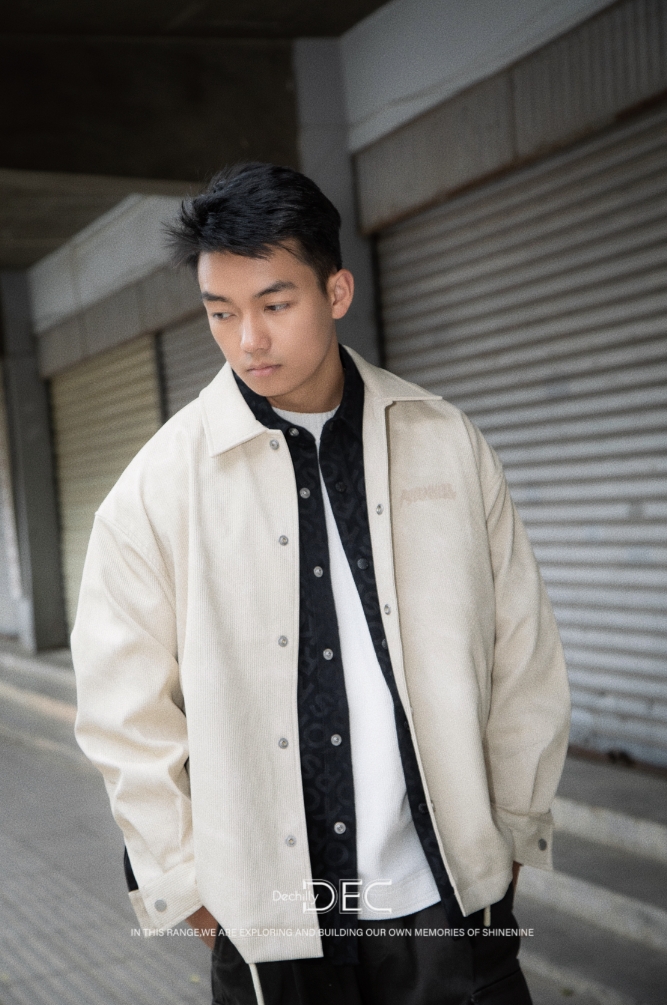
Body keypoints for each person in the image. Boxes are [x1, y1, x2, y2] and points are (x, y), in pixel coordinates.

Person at [71, 163, 571, 1005]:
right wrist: (195, 895)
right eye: (220, 312)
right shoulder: (156, 488)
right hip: (271, 924)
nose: (247, 340)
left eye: (274, 304)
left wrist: (511, 833)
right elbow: (123, 719)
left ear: (336, 291)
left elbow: (521, 651)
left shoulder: (444, 441)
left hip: (446, 897)